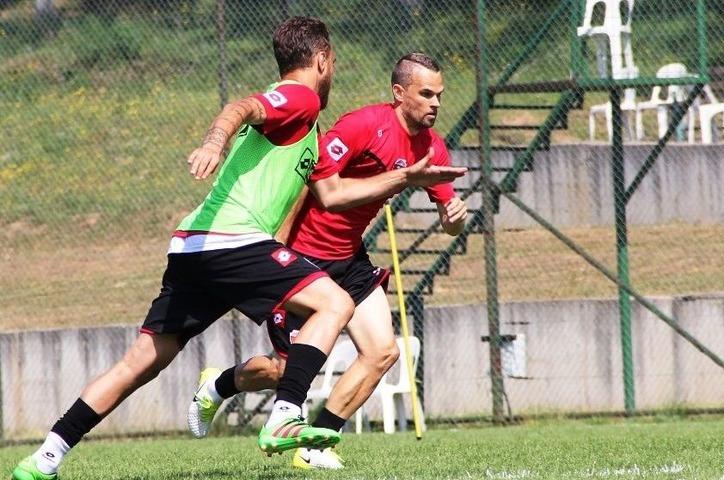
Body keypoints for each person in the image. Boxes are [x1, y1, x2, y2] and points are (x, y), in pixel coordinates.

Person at [11, 19, 465, 480]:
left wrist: (412, 183)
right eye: (334, 64)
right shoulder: (301, 97)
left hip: (194, 245)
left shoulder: (308, 127)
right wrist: (214, 140)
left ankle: (45, 457)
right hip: (235, 241)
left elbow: (328, 194)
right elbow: (241, 107)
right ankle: (286, 414)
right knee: (335, 304)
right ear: (323, 59)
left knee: (142, 360)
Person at [186, 52, 466, 471]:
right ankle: (218, 385)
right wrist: (278, 239)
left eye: (439, 95)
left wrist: (454, 216)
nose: (435, 103)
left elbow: (450, 222)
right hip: (304, 259)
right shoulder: (362, 125)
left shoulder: (432, 145)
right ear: (399, 93)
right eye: (426, 94)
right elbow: (316, 184)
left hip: (350, 261)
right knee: (283, 370)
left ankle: (315, 445)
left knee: (383, 352)